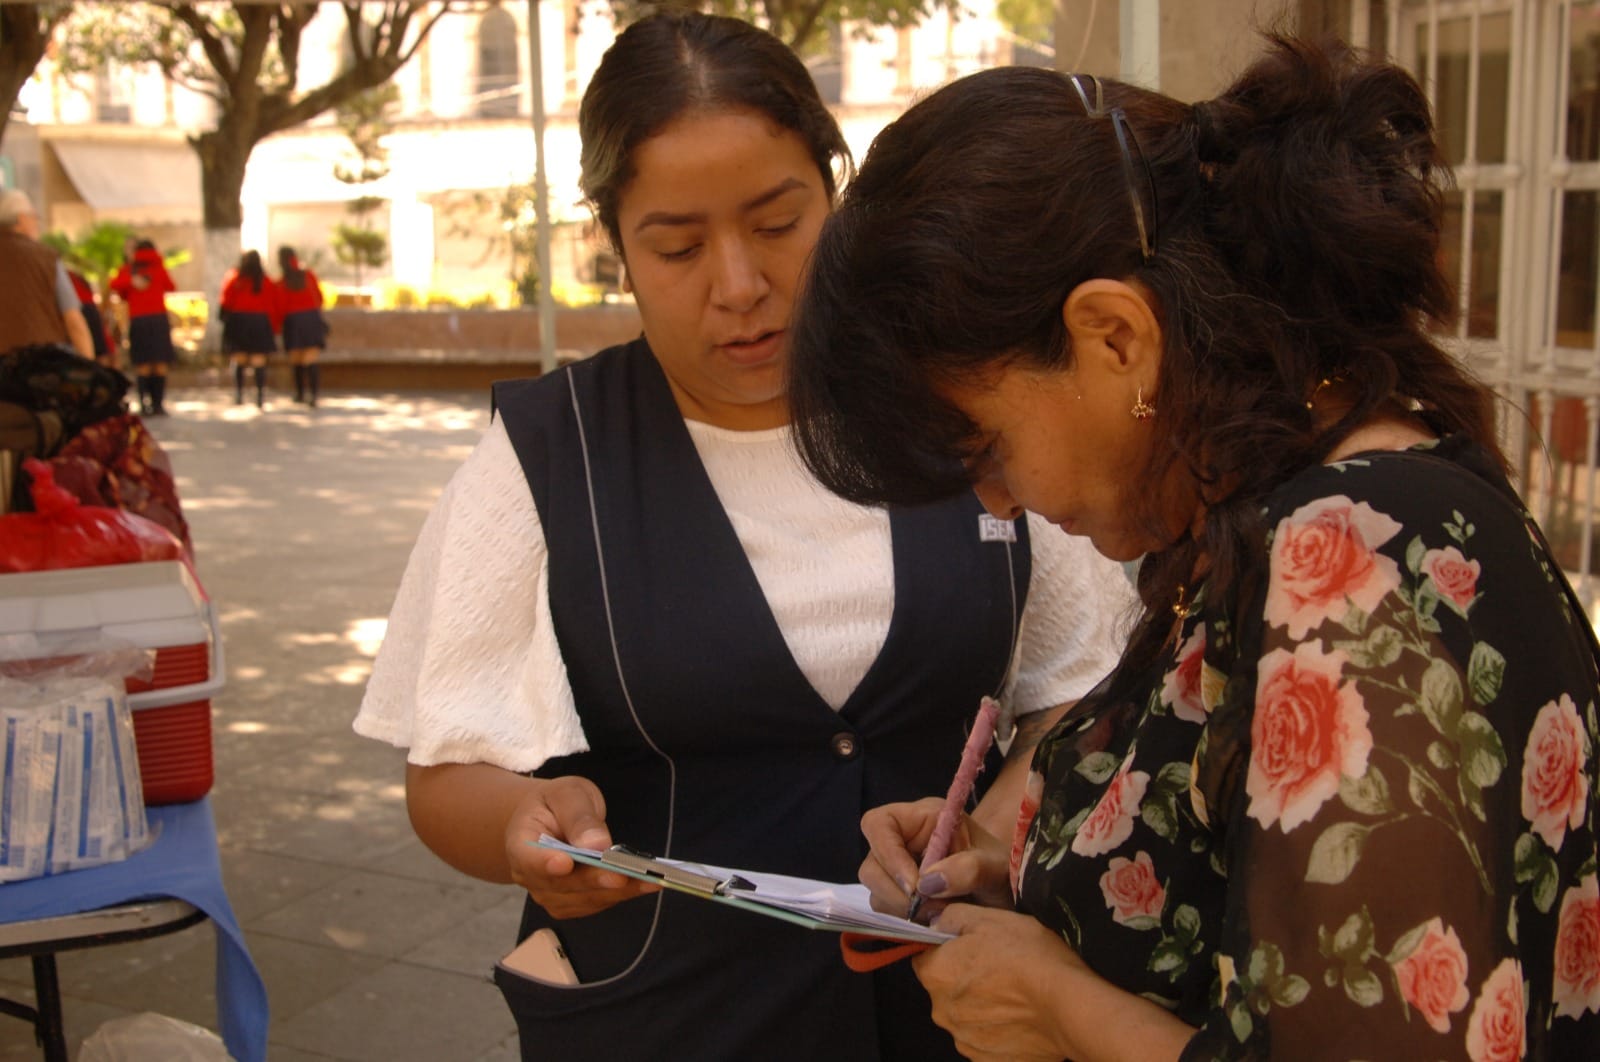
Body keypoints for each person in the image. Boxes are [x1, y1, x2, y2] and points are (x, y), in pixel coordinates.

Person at [787, 35, 1600, 1062]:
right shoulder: (1257, 518)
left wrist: (1054, 1007)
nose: (998, 501)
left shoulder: (1350, 562)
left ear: (1114, 336)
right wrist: (1017, 857)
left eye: (984, 449)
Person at [354, 11, 1137, 1061]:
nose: (739, 285)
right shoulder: (549, 457)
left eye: (778, 223)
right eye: (676, 245)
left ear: (836, 194)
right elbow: (446, 769)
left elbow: (1076, 697)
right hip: (666, 1014)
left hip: (959, 1012)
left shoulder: (958, 406)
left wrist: (993, 821)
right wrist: (519, 823)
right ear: (614, 246)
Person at [0, 189, 96, 361]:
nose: (37, 224)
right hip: (41, 366)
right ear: (22, 218)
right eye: (34, 218)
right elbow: (74, 321)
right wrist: (89, 370)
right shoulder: (46, 258)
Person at [109, 238, 178, 416]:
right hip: (158, 320)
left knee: (142, 363)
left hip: (139, 321)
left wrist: (131, 282)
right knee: (160, 363)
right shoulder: (159, 268)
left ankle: (144, 404)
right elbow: (171, 286)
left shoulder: (128, 270)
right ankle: (158, 405)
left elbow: (115, 287)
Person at [219, 250, 280, 408]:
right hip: (259, 322)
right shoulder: (265, 281)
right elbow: (273, 305)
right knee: (258, 360)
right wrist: (273, 327)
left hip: (238, 322)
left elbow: (226, 301)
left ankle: (239, 394)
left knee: (239, 359)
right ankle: (259, 396)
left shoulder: (234, 278)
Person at [276, 246, 327, 407]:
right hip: (311, 319)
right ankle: (313, 395)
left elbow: (280, 307)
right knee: (310, 358)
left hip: (293, 321)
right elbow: (319, 298)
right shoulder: (309, 275)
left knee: (296, 359)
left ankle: (300, 394)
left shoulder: (282, 282)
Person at [66, 268, 116, 367]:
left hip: (77, 309)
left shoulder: (64, 274)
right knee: (100, 351)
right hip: (89, 309)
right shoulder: (74, 274)